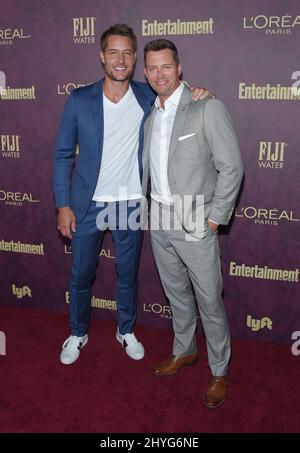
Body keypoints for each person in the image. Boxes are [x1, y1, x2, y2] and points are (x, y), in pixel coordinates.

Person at [54, 24, 208, 365]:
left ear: (135, 58)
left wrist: (200, 93)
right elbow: (63, 154)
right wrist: (62, 204)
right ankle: (78, 332)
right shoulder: (80, 99)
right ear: (102, 56)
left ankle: (125, 329)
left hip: (129, 204)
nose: (120, 60)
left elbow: (178, 97)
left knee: (127, 273)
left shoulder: (146, 96)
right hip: (87, 205)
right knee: (81, 275)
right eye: (113, 52)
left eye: (127, 53)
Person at [142, 39, 244, 408]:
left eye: (166, 66)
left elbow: (231, 167)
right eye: (152, 68)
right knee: (176, 295)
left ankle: (219, 370)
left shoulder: (206, 106)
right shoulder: (150, 114)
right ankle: (183, 350)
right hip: (159, 219)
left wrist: (215, 218)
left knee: (209, 300)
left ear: (179, 67)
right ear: (145, 72)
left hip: (196, 219)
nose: (159, 74)